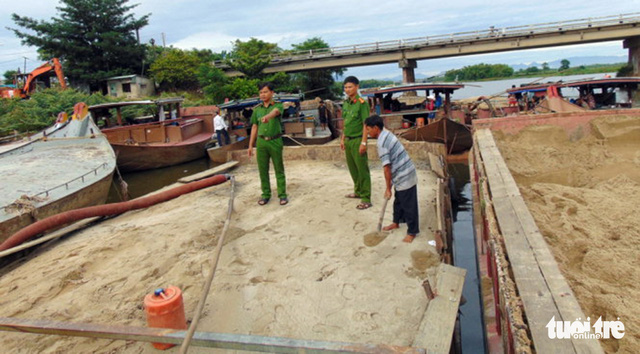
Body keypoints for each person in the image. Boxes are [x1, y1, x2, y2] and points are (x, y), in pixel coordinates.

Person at [364, 115, 419, 243]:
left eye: (368, 129)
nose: (367, 132)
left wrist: (388, 188)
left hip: (405, 174)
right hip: (400, 174)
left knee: (409, 205)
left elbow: (386, 168)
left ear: (376, 128)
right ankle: (396, 222)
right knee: (398, 201)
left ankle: (412, 231)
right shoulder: (385, 133)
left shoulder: (382, 143)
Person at [247, 82, 288, 206]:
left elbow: (275, 112)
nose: (263, 94)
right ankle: (265, 194)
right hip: (261, 142)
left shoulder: (278, 106)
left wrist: (267, 117)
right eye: (261, 92)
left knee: (278, 169)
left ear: (272, 93)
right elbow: (254, 127)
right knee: (262, 170)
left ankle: (282, 195)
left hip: (275, 141)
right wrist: (250, 145)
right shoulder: (257, 110)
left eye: (265, 92)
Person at [341, 76, 372, 210]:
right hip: (348, 140)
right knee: (353, 168)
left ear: (357, 87)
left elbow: (366, 124)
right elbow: (345, 123)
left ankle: (366, 198)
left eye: (350, 87)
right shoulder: (346, 103)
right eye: (346, 87)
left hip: (358, 139)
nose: (347, 90)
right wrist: (342, 138)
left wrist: (364, 142)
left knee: (362, 169)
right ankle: (358, 191)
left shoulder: (362, 103)